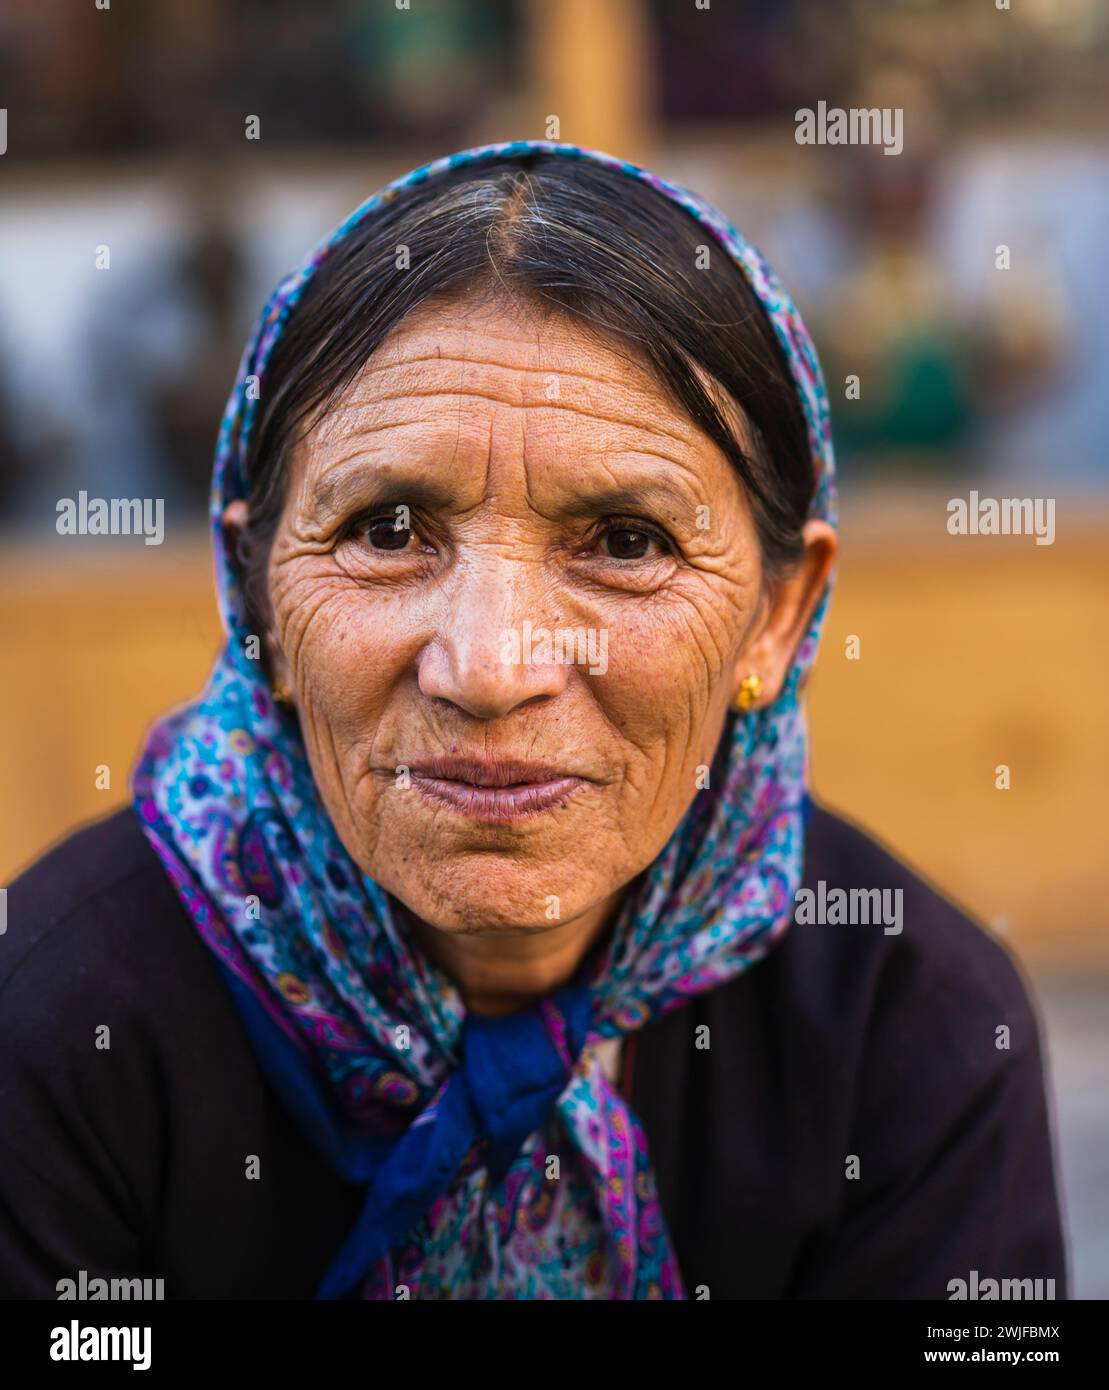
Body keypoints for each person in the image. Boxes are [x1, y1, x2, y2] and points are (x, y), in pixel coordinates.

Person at [0, 142, 1066, 1300]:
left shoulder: (908, 1025)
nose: (490, 669)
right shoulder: (56, 1021)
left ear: (776, 617)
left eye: (623, 541)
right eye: (389, 529)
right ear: (254, 596)